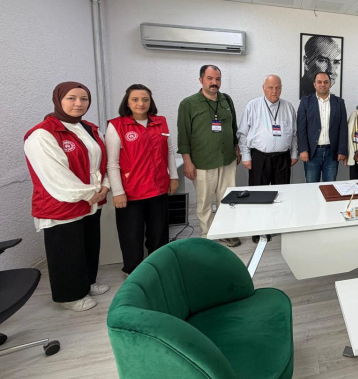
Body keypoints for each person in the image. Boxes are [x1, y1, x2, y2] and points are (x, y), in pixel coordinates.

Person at [23, 82, 110, 311]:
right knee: (66, 251)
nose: (78, 103)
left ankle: (87, 282)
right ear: (58, 100)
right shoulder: (42, 134)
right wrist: (90, 193)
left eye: (84, 99)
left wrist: (105, 186)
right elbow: (55, 175)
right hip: (62, 204)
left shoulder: (89, 128)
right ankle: (70, 295)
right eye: (71, 98)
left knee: (88, 245)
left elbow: (102, 162)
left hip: (91, 201)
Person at [106, 84, 179, 275]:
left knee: (159, 234)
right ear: (127, 102)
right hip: (131, 193)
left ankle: (159, 269)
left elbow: (169, 151)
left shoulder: (160, 122)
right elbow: (112, 163)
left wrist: (173, 176)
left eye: (145, 99)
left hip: (159, 188)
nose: (141, 103)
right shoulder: (117, 126)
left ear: (150, 102)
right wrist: (118, 191)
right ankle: (134, 273)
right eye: (135, 99)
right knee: (131, 236)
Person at [177, 65, 241, 247]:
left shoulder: (227, 100)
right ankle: (208, 236)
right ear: (201, 80)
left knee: (228, 199)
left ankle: (226, 231)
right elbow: (183, 136)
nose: (214, 82)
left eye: (217, 79)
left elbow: (233, 128)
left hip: (227, 159)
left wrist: (236, 149)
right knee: (205, 201)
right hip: (202, 162)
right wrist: (187, 162)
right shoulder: (188, 104)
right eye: (210, 78)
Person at [237, 75, 298, 187]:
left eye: (277, 88)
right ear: (263, 88)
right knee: (258, 193)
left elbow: (294, 134)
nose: (274, 91)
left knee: (283, 192)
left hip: (283, 158)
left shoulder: (289, 107)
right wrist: (245, 156)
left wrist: (294, 154)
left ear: (281, 88)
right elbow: (243, 133)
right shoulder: (252, 106)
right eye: (270, 87)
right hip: (259, 158)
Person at [297, 71, 348, 182]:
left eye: (326, 82)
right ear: (314, 84)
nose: (322, 84)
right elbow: (301, 128)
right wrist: (303, 149)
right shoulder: (306, 101)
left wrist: (342, 150)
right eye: (319, 82)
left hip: (332, 152)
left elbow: (343, 128)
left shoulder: (339, 102)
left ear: (330, 84)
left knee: (329, 187)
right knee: (311, 187)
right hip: (312, 152)